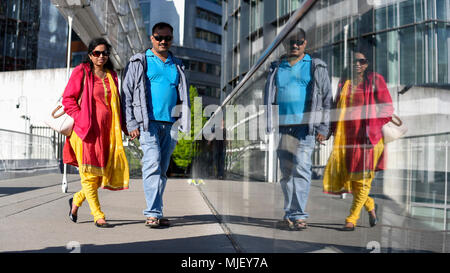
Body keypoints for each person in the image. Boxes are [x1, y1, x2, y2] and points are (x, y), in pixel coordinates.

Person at [121, 22, 190, 228]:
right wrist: (131, 122)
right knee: (152, 163)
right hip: (147, 123)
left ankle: (157, 211)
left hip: (170, 124)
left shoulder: (177, 64)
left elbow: (182, 96)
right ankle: (152, 213)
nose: (163, 41)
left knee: (162, 169)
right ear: (151, 38)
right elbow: (127, 94)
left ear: (172, 39)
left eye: (167, 38)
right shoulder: (139, 61)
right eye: (159, 38)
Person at [264, 28, 332, 230]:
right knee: (286, 173)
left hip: (306, 128)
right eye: (291, 42)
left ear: (305, 43)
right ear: (285, 44)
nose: (295, 45)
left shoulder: (316, 66)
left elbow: (327, 99)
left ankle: (299, 215)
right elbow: (268, 98)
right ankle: (290, 213)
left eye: (299, 42)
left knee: (301, 169)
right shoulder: (276, 67)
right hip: (284, 128)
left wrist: (324, 127)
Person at [322, 47, 394, 231]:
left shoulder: (376, 80)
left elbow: (387, 110)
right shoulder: (344, 83)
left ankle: (351, 218)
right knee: (353, 181)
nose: (357, 64)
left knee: (362, 180)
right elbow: (336, 110)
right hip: (347, 140)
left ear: (368, 63)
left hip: (370, 140)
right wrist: (330, 129)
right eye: (354, 61)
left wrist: (373, 128)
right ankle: (370, 206)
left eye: (362, 61)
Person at [63, 38, 130, 228]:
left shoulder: (112, 75)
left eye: (104, 53)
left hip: (107, 133)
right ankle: (98, 215)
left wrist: (126, 128)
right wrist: (81, 118)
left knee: (100, 175)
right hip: (85, 132)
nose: (101, 56)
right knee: (89, 175)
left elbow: (118, 106)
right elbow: (68, 99)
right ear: (90, 55)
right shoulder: (82, 72)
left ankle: (75, 201)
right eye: (97, 53)